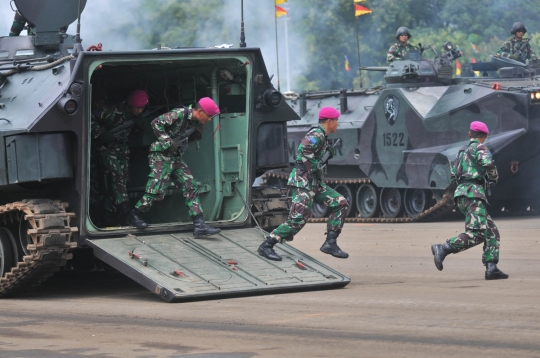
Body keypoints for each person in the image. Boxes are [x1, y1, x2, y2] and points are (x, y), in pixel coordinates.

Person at [257, 107, 349, 261]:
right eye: (336, 121)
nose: (337, 124)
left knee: (340, 203)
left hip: (313, 182)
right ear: (329, 121)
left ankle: (330, 242)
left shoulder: (323, 137)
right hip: (303, 182)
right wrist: (317, 166)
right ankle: (267, 245)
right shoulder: (316, 134)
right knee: (297, 219)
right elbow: (303, 152)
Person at [127, 97, 221, 237]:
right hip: (160, 155)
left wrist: (197, 133)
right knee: (156, 190)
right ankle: (134, 215)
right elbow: (156, 123)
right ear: (200, 111)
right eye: (208, 116)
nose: (209, 119)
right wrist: (167, 142)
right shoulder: (180, 113)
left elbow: (187, 138)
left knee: (190, 186)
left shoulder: (194, 122)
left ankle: (199, 224)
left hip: (175, 157)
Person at [431, 121, 509, 280]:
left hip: (461, 194)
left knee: (491, 231)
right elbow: (488, 163)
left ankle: (491, 267)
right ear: (485, 136)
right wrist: (493, 178)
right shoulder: (480, 148)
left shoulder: (460, 152)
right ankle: (444, 248)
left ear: (469, 134)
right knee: (478, 233)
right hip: (473, 195)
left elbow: (453, 175)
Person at [92, 89, 149, 226]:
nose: (140, 111)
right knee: (116, 176)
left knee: (122, 180)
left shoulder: (137, 116)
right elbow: (90, 117)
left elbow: (135, 134)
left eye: (142, 108)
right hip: (106, 148)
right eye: (137, 108)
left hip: (122, 149)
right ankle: (125, 210)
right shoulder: (112, 112)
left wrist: (140, 126)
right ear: (130, 105)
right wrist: (102, 133)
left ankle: (110, 215)